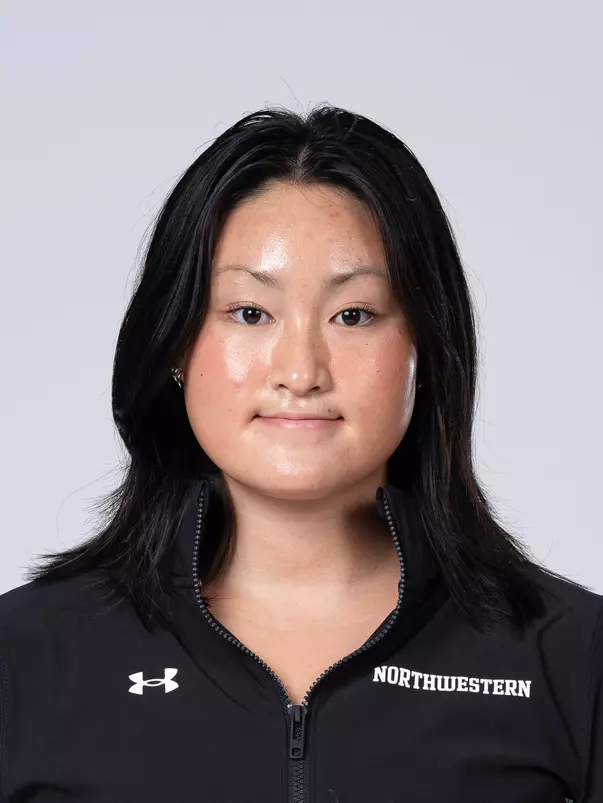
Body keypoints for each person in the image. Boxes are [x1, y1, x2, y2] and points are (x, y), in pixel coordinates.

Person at [0, 104, 600, 803]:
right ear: (173, 346)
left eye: (354, 315)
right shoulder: (28, 655)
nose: (300, 369)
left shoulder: (572, 658)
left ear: (425, 350)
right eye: (249, 312)